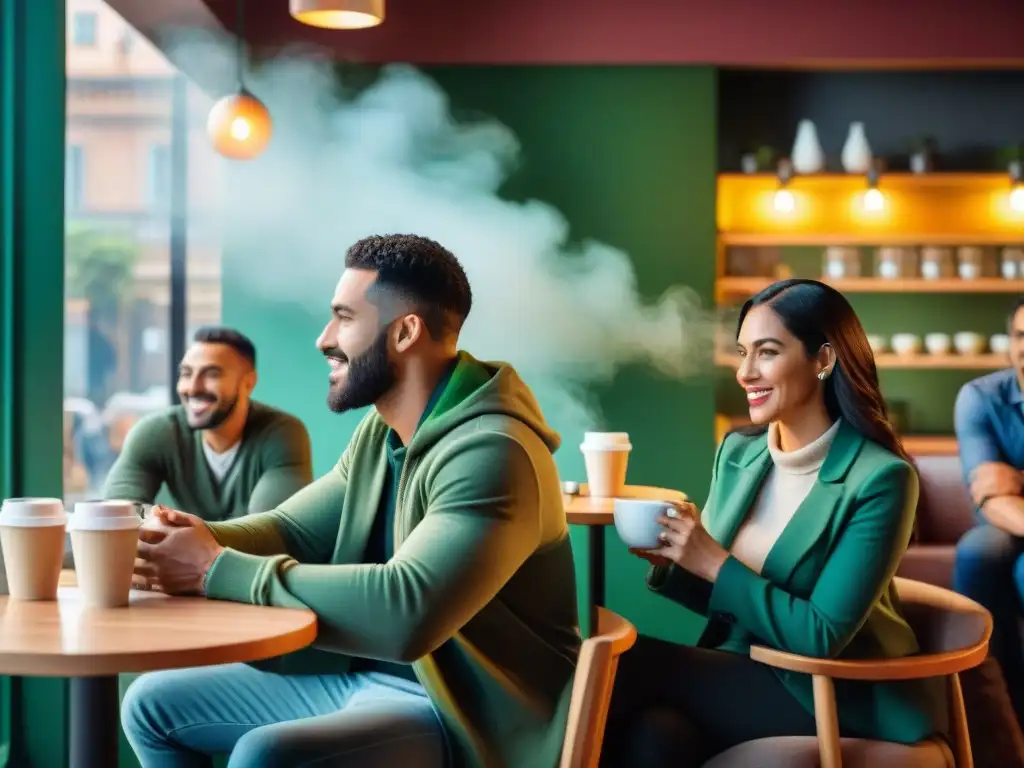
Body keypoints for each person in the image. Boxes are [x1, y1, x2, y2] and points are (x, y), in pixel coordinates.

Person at [121, 234, 580, 768]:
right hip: (362, 675)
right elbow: (290, 529)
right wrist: (179, 537)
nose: (324, 339)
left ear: (406, 331)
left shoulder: (493, 451)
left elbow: (407, 611)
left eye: (344, 317)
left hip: (466, 715)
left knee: (266, 755)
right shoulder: (382, 434)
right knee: (150, 705)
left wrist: (211, 568)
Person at [602, 279, 943, 767]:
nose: (745, 372)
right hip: (743, 668)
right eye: (743, 352)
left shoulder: (882, 480)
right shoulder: (739, 454)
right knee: (654, 739)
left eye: (767, 352)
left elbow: (820, 635)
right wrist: (677, 562)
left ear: (823, 360)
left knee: (618, 661)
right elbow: (733, 605)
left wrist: (714, 563)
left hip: (829, 689)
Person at [102, 326, 313, 521]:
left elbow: (273, 529)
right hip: (171, 562)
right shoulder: (156, 433)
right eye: (186, 373)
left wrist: (174, 529)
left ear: (248, 383)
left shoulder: (282, 434)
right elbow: (116, 515)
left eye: (211, 374)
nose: (193, 388)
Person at [952, 296, 1024, 718]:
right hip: (1005, 524)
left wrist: (1018, 477)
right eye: (1020, 336)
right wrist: (1006, 487)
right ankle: (989, 707)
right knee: (979, 548)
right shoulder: (980, 397)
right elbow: (992, 498)